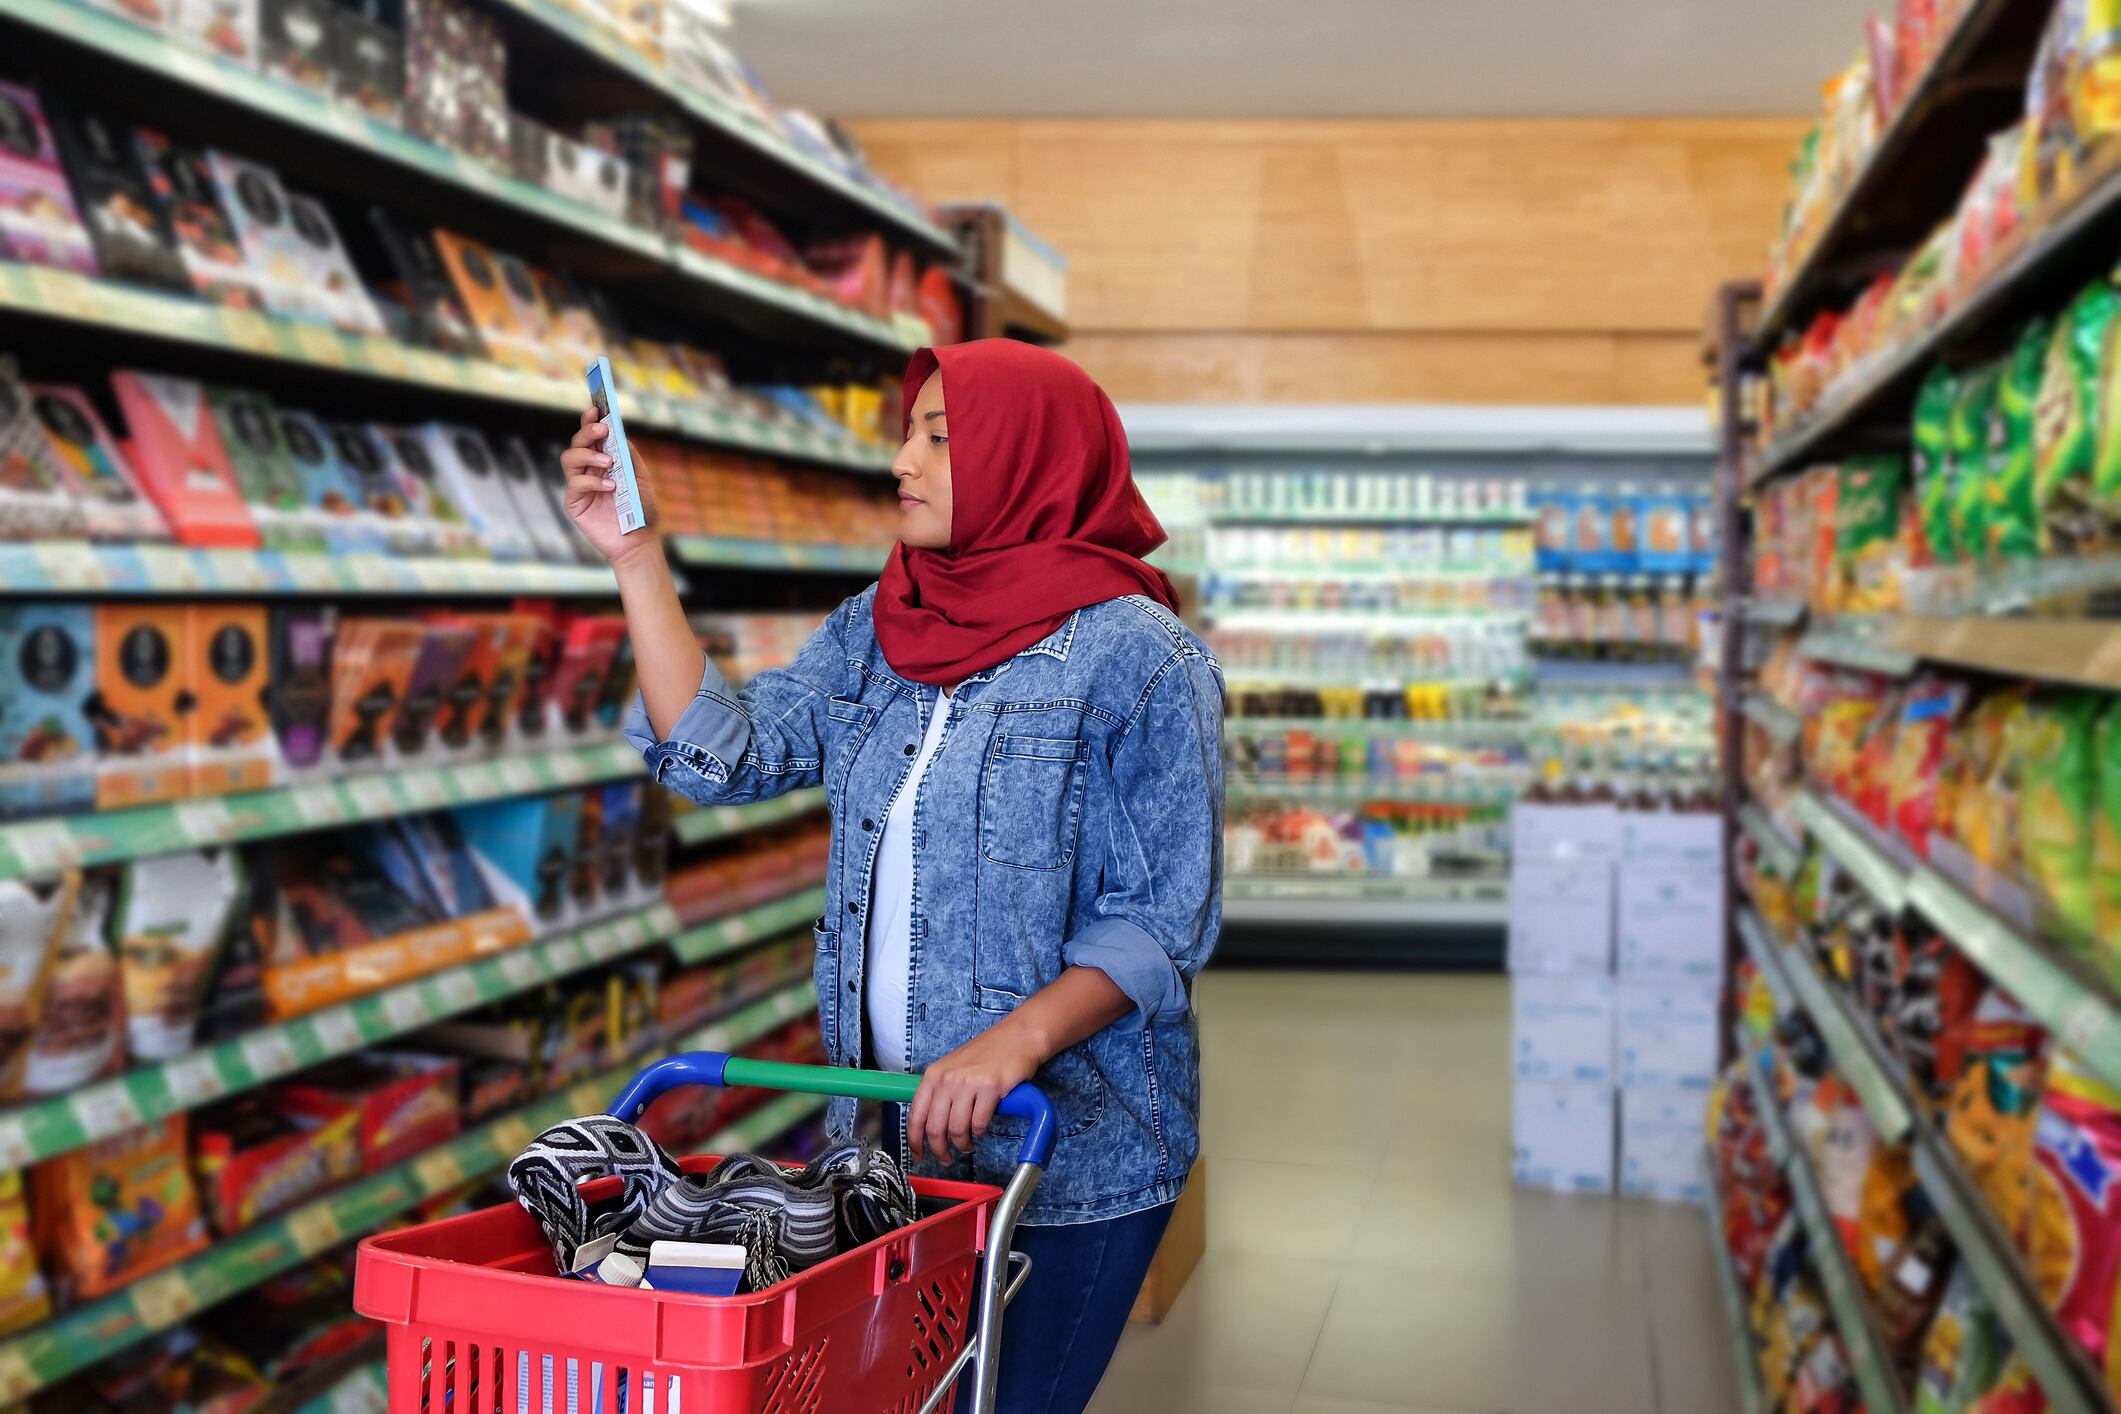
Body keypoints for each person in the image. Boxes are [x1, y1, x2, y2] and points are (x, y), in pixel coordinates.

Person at [560, 339, 1223, 1414]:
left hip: (1071, 1157)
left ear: (1026, 457)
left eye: (940, 436)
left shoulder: (1142, 657)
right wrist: (634, 558)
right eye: (906, 434)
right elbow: (727, 753)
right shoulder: (883, 627)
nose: (903, 461)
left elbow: (1160, 922)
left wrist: (1010, 1045)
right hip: (886, 1140)